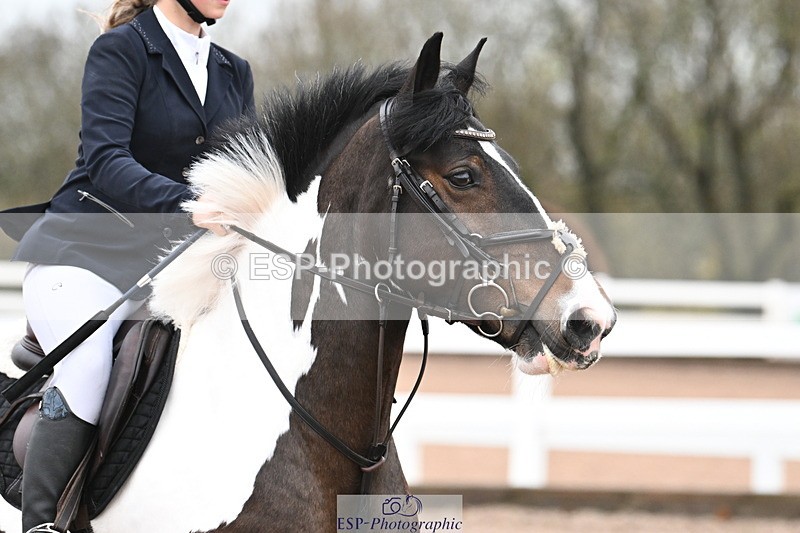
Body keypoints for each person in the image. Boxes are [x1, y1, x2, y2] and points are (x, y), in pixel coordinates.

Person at [0, 1, 253, 531]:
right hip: (83, 254)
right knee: (90, 362)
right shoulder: (120, 51)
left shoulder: (234, 71)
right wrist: (187, 204)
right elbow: (107, 159)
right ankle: (43, 520)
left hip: (174, 265)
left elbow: (246, 168)